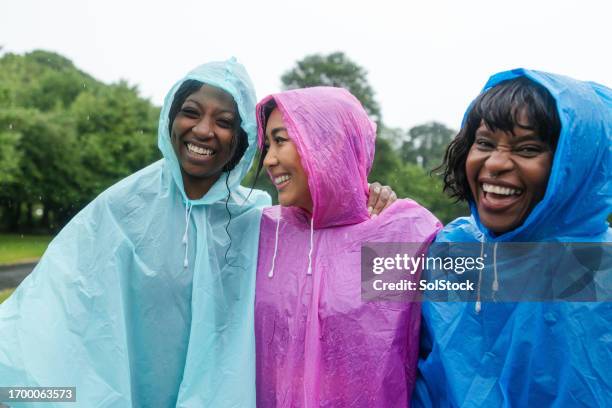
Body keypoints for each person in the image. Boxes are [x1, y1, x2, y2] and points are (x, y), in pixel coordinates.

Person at [0, 60, 395, 407]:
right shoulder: (121, 208)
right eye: (191, 112)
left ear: (241, 140)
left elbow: (326, 225)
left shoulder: (260, 217)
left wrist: (372, 202)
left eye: (224, 122)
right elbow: (49, 309)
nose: (204, 131)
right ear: (170, 119)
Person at [413, 69, 612, 406]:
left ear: (576, 166)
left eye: (528, 149)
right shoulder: (450, 248)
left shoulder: (600, 268)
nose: (496, 163)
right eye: (485, 143)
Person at [253, 87, 442, 407]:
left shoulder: (397, 238)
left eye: (281, 140)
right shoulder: (265, 235)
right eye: (268, 144)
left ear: (328, 143)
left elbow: (523, 281)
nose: (269, 159)